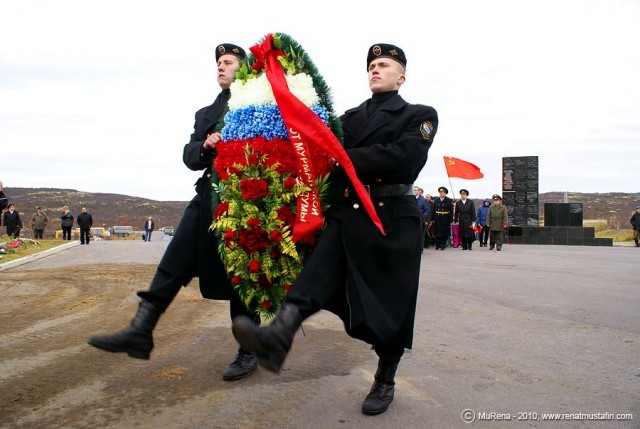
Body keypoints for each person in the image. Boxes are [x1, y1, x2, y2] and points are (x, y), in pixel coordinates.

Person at [232, 43, 438, 416]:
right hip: (348, 216)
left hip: (392, 220)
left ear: (401, 76)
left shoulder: (419, 114)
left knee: (387, 308)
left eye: (384, 65)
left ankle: (386, 374)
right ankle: (277, 337)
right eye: (372, 65)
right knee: (315, 277)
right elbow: (314, 142)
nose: (375, 70)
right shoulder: (350, 117)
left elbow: (404, 157)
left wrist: (341, 156)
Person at [88, 43, 262, 382]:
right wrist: (205, 146)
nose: (221, 67)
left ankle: (248, 350)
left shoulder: (260, 105)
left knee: (240, 277)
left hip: (243, 200)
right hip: (208, 197)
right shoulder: (205, 113)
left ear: (244, 69)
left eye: (228, 62)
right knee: (173, 260)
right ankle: (141, 329)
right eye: (218, 63)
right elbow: (189, 156)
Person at [431, 186, 453, 250]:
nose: (441, 193)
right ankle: (437, 245)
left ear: (445, 193)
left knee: (444, 233)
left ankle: (443, 245)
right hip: (437, 218)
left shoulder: (449, 200)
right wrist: (432, 219)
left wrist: (451, 220)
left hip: (445, 218)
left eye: (442, 192)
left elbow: (451, 211)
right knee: (437, 232)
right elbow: (433, 210)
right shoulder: (436, 200)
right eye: (440, 192)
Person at [414, 186, 431, 253]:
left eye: (416, 190)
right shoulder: (410, 199)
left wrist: (421, 217)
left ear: (419, 191)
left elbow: (427, 211)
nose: (415, 191)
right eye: (414, 190)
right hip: (411, 220)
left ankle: (420, 249)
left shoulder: (423, 200)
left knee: (420, 235)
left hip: (420, 220)